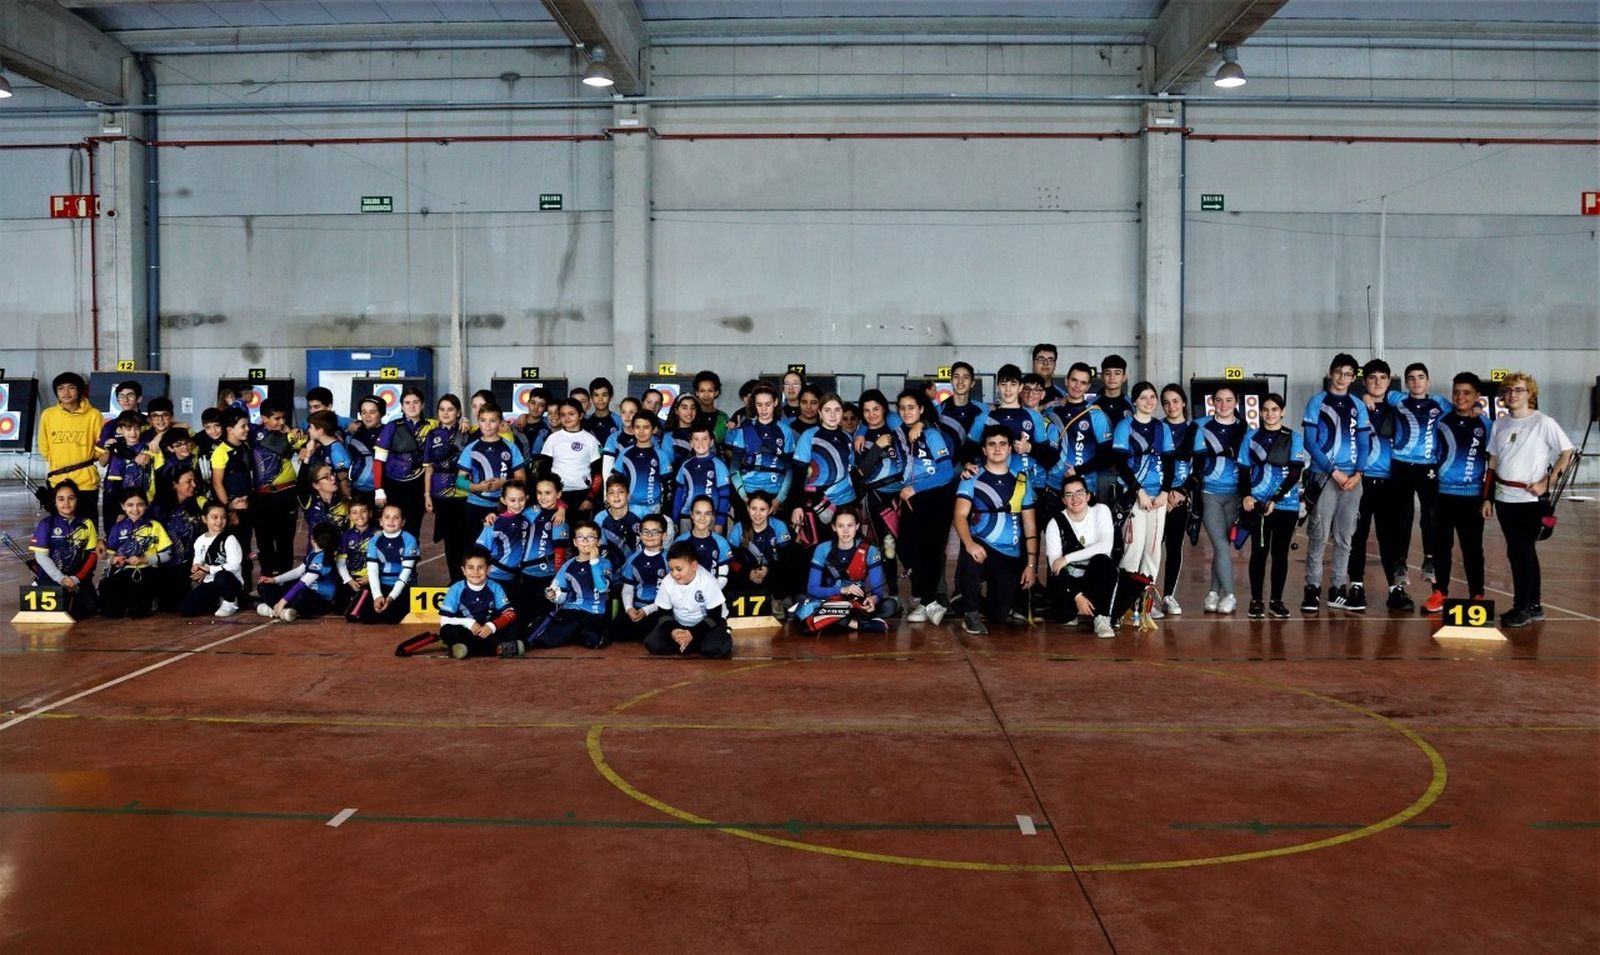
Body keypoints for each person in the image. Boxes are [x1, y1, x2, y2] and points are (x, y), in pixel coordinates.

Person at [1486, 371, 1574, 628]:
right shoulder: (1499, 424)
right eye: (1508, 390)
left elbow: (1567, 453)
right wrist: (1488, 497)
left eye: (1519, 390)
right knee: (1521, 552)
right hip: (1505, 498)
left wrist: (1547, 483)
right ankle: (1533, 604)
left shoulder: (1543, 422)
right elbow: (1492, 462)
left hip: (1530, 501)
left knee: (1521, 552)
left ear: (1530, 394)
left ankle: (1522, 606)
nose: (1513, 395)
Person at [1301, 353, 1372, 614]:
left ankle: (1337, 589)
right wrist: (1334, 473)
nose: (1343, 378)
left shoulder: (1358, 405)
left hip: (1352, 481)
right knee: (1319, 535)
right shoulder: (1316, 402)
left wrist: (1358, 474)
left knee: (1345, 537)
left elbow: (1364, 443)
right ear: (1331, 373)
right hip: (1324, 477)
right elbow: (1310, 442)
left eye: (1349, 374)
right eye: (1339, 372)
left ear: (1354, 378)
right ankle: (1312, 589)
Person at [953, 426, 1038, 635]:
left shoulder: (1021, 482)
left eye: (1002, 444)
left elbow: (1030, 526)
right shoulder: (971, 477)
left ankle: (963, 598)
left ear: (1010, 449)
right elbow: (960, 516)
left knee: (999, 616)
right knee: (969, 557)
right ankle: (971, 613)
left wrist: (1031, 564)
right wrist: (970, 543)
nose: (997, 449)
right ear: (984, 450)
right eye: (992, 444)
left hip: (1009, 553)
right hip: (981, 546)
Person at [1379, 363, 1450, 608]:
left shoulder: (1440, 403)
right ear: (1406, 382)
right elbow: (1376, 394)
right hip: (1400, 464)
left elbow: (1461, 413)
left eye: (1421, 377)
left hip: (1428, 465)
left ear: (1428, 381)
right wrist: (1367, 396)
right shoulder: (1397, 398)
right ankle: (1400, 561)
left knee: (1430, 514)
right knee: (1403, 514)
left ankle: (1430, 559)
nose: (1416, 382)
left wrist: (1476, 411)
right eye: (1411, 378)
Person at [1422, 373, 1493, 614]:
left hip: (1472, 497)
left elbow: (1493, 463)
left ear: (1476, 396)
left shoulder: (1486, 425)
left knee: (1473, 549)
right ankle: (1439, 592)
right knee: (1441, 546)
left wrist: (1488, 497)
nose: (1460, 397)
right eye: (1456, 392)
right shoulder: (1442, 420)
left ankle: (1477, 594)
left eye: (1466, 393)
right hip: (1442, 496)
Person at [1238, 393, 1306, 619]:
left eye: (1275, 409)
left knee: (1280, 554)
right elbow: (1244, 470)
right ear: (1260, 412)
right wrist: (1247, 496)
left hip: (1286, 506)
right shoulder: (1251, 436)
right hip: (1257, 504)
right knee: (1259, 553)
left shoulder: (1293, 437)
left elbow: (1295, 472)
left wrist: (1275, 500)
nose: (1270, 414)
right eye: (1265, 409)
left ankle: (1276, 600)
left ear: (1283, 411)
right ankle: (1256, 600)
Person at [895, 389, 958, 625]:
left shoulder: (932, 434)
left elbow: (946, 471)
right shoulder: (900, 428)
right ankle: (929, 601)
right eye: (902, 407)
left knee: (928, 551)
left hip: (936, 496)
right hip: (914, 498)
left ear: (921, 409)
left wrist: (916, 489)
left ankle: (926, 601)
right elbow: (875, 417)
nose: (906, 412)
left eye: (912, 407)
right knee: (905, 548)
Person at [1345, 360, 1400, 613]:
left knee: (1390, 537)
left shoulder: (1400, 407)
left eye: (1382, 377)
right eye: (1372, 377)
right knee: (1358, 535)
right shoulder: (1355, 408)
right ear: (1363, 381)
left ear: (1389, 381)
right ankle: (1356, 584)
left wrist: (1476, 405)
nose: (1377, 382)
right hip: (1361, 481)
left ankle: (1395, 588)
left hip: (1390, 483)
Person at [1111, 381, 1172, 592]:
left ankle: (1145, 600)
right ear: (1135, 401)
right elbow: (1120, 463)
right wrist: (1140, 492)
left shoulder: (1162, 427)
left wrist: (1165, 491)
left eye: (1153, 397)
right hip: (1132, 494)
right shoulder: (1124, 426)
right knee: (1133, 547)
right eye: (1143, 397)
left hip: (1158, 497)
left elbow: (1169, 461)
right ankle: (1124, 601)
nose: (1149, 402)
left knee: (1153, 549)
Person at [1193, 385, 1247, 614]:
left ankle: (1213, 593)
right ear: (1212, 402)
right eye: (1218, 400)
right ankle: (1231, 595)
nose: (1223, 405)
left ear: (1236, 402)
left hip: (1235, 494)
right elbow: (1192, 460)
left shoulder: (1244, 428)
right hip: (1210, 493)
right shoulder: (1200, 426)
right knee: (1221, 544)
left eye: (1228, 400)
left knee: (1221, 547)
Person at [794, 507, 889, 634]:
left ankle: (832, 622)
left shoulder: (871, 551)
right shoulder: (822, 549)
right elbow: (812, 589)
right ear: (834, 527)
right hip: (829, 599)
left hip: (855, 603)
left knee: (889, 606)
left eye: (850, 525)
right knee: (800, 600)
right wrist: (842, 590)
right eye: (840, 526)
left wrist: (873, 599)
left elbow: (878, 591)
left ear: (857, 526)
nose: (845, 531)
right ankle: (855, 624)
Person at [1043, 475, 1117, 637]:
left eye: (1079, 493)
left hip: (1093, 578)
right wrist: (1077, 596)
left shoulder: (1100, 511)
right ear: (1063, 500)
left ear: (1088, 495)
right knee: (1065, 616)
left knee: (1103, 561)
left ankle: (1102, 618)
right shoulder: (1055, 524)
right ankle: (1077, 606)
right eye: (1069, 495)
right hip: (1069, 582)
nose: (1075, 499)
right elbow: (1056, 567)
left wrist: (1067, 558)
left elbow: (1105, 546)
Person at [525, 520, 613, 653]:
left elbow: (602, 588)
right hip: (572, 611)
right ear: (575, 542)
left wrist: (594, 560)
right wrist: (552, 595)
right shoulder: (568, 565)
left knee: (594, 640)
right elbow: (558, 592)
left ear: (599, 542)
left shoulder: (604, 563)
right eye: (580, 537)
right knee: (560, 631)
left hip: (594, 613)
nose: (585, 541)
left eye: (590, 537)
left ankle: (574, 635)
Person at [643, 541, 734, 659]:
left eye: (679, 569)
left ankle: (712, 638)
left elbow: (714, 616)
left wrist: (692, 634)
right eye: (671, 569)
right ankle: (688, 642)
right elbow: (663, 612)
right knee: (654, 644)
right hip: (679, 624)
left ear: (694, 566)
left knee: (714, 649)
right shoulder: (667, 582)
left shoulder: (708, 581)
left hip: (705, 625)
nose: (675, 574)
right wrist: (674, 631)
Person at [790, 394, 858, 545]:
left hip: (846, 503)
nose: (833, 415)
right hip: (817, 503)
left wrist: (856, 502)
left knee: (845, 548)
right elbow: (798, 474)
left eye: (837, 410)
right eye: (827, 410)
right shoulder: (809, 436)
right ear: (820, 412)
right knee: (818, 549)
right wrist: (797, 506)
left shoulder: (847, 437)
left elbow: (851, 471)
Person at [248, 398, 305, 577]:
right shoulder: (254, 433)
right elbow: (277, 442)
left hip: (286, 494)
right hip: (262, 497)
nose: (281, 422)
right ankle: (267, 578)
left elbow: (304, 442)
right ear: (264, 418)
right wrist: (291, 435)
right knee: (264, 540)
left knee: (285, 540)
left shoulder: (289, 433)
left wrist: (303, 443)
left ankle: (285, 578)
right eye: (277, 419)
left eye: (283, 418)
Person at [27, 480, 100, 620]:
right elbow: (41, 557)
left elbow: (92, 555)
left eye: (71, 498)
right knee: (59, 609)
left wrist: (76, 578)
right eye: (61, 499)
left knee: (90, 607)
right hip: (52, 576)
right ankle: (39, 583)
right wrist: (60, 578)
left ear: (77, 501)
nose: (66, 503)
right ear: (55, 502)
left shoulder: (87, 523)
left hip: (76, 577)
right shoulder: (46, 524)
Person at [99, 490, 173, 619]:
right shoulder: (117, 527)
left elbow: (168, 555)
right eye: (130, 505)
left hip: (147, 571)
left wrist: (145, 559)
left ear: (146, 506)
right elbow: (109, 557)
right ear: (123, 506)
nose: (135, 509)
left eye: (140, 504)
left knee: (137, 612)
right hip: (123, 572)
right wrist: (114, 560)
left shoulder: (155, 526)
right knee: (111, 610)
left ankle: (147, 601)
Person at [423, 394, 473, 581]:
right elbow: (428, 469)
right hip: (441, 496)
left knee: (467, 540)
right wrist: (427, 495)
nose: (445, 413)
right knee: (450, 542)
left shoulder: (468, 431)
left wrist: (467, 424)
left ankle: (470, 581)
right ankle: (455, 581)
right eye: (442, 409)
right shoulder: (432, 434)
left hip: (464, 494)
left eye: (450, 409)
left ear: (458, 412)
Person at [457, 402, 528, 533]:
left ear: (501, 423)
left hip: (503, 506)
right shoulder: (471, 448)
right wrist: (479, 487)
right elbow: (461, 481)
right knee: (476, 548)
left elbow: (521, 479)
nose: (487, 425)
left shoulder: (510, 447)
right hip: (475, 505)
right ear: (478, 422)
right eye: (483, 420)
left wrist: (503, 483)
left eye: (492, 421)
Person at [1156, 384, 1196, 616]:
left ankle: (1169, 596)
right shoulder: (1157, 428)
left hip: (1180, 498)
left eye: (1175, 401)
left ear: (1183, 403)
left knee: (1174, 547)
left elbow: (1199, 468)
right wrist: (1163, 492)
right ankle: (1145, 594)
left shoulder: (1194, 429)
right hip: (1157, 496)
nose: (1171, 406)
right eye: (1166, 402)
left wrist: (1180, 492)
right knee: (1150, 549)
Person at [435, 548, 519, 659]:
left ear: (488, 570)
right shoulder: (455, 589)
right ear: (463, 570)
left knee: (514, 628)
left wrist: (492, 626)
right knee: (446, 631)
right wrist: (469, 623)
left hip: (489, 631)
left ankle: (466, 649)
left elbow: (510, 614)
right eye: (470, 568)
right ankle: (497, 649)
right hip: (468, 632)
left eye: (480, 568)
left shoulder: (495, 587)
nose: (475, 572)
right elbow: (444, 621)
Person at [372, 386, 433, 538]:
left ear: (423, 404)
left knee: (413, 529)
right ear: (402, 405)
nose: (412, 406)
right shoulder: (392, 427)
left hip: (417, 485)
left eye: (416, 402)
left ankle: (410, 561)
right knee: (391, 528)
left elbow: (452, 426)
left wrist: (463, 421)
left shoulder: (432, 426)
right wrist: (379, 490)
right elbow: (379, 460)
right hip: (394, 486)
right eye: (407, 402)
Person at [1048, 362, 1114, 500]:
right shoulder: (1052, 411)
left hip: (1084, 487)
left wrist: (1078, 470)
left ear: (1088, 386)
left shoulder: (1096, 415)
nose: (1077, 386)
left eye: (1083, 382)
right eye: (1074, 380)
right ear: (1066, 380)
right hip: (1053, 485)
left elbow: (1107, 456)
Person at [255, 522, 344, 622]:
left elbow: (302, 584)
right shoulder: (314, 553)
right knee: (263, 585)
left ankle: (274, 609)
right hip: (302, 593)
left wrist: (282, 602)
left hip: (319, 600)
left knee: (301, 593)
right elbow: (298, 572)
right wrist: (274, 580)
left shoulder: (322, 559)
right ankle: (281, 611)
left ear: (312, 539)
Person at [728, 489, 798, 613]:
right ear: (748, 508)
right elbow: (731, 561)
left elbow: (787, 558)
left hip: (773, 574)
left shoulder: (778, 526)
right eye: (753, 508)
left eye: (762, 509)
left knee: (792, 564)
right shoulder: (739, 528)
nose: (757, 514)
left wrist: (769, 569)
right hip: (748, 575)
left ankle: (779, 600)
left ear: (770, 510)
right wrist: (747, 573)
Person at [208, 408, 256, 586]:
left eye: (247, 425)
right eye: (242, 426)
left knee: (245, 549)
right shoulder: (220, 452)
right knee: (233, 551)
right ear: (230, 429)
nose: (247, 429)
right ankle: (233, 590)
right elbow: (217, 483)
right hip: (233, 510)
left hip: (246, 507)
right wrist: (228, 509)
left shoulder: (245, 446)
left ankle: (245, 589)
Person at [349, 503, 418, 624]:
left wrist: (391, 597)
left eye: (396, 517)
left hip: (403, 586)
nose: (391, 521)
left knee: (392, 618)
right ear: (380, 521)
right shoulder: (375, 540)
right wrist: (377, 596)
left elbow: (406, 572)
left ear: (403, 522)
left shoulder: (409, 539)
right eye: (387, 517)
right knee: (366, 617)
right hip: (382, 585)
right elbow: (372, 571)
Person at [726, 384, 795, 506]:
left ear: (775, 402)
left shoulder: (786, 431)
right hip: (747, 492)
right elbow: (734, 467)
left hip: (775, 493)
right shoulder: (745, 430)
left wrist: (780, 499)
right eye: (759, 405)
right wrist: (744, 497)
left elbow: (790, 468)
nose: (764, 409)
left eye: (768, 404)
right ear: (754, 405)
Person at [151, 468, 207, 612]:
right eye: (188, 481)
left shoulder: (197, 503)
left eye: (194, 481)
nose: (194, 485)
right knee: (171, 606)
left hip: (192, 565)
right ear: (175, 484)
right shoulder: (159, 509)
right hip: (166, 568)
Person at [476, 479, 533, 617]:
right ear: (503, 500)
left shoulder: (527, 517)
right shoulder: (495, 523)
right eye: (512, 500)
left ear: (527, 498)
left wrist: (561, 508)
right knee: (493, 613)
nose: (517, 504)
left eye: (521, 500)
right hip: (495, 577)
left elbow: (552, 503)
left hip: (515, 577)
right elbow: (479, 551)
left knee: (513, 613)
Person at [520, 476, 571, 624]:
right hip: (524, 575)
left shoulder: (558, 520)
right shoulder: (531, 510)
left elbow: (560, 555)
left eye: (548, 493)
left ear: (558, 494)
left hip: (546, 578)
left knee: (543, 619)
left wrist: (556, 582)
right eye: (539, 493)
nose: (543, 497)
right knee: (525, 617)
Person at [180, 500, 244, 617]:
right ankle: (216, 601)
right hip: (210, 582)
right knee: (186, 609)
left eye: (223, 517)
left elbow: (234, 565)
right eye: (214, 517)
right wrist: (197, 567)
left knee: (221, 577)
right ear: (204, 519)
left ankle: (230, 601)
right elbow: (198, 558)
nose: (219, 521)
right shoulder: (200, 540)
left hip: (229, 581)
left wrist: (209, 569)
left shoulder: (230, 539)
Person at [616, 513, 672, 643]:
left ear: (664, 535)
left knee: (652, 631)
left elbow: (671, 594)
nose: (649, 536)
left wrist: (648, 610)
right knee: (616, 631)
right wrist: (629, 608)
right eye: (645, 531)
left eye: (655, 532)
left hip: (659, 608)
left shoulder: (669, 559)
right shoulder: (634, 559)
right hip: (636, 607)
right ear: (640, 535)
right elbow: (628, 587)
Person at [100, 410, 158, 532]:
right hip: (128, 506)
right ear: (120, 430)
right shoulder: (117, 454)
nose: (133, 433)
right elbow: (116, 487)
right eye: (128, 429)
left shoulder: (149, 447)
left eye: (136, 428)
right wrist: (121, 511)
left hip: (149, 501)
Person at [671, 424, 733, 534]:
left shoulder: (719, 466)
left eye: (704, 439)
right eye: (696, 439)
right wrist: (675, 519)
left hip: (709, 518)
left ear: (711, 442)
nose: (700, 443)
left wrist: (719, 522)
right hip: (686, 516)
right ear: (691, 443)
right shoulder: (686, 465)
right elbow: (679, 494)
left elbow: (724, 496)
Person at [612, 411, 674, 518]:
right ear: (633, 429)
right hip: (629, 506)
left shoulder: (661, 455)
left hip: (653, 508)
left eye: (646, 427)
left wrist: (665, 512)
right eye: (637, 427)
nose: (641, 431)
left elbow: (667, 486)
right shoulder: (625, 453)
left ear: (654, 429)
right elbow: (616, 481)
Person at [546, 398, 602, 516]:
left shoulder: (591, 440)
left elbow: (598, 473)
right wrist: (548, 495)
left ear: (581, 415)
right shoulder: (552, 438)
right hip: (557, 495)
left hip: (583, 497)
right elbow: (543, 470)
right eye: (563, 415)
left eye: (571, 414)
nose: (567, 418)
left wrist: (590, 498)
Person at [673, 495, 733, 586]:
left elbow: (723, 576)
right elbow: (675, 572)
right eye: (698, 513)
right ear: (691, 514)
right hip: (685, 594)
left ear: (713, 516)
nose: (702, 518)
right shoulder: (680, 542)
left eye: (707, 513)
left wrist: (711, 593)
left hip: (712, 594)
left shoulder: (721, 543)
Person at [336, 499, 377, 611]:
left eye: (363, 511)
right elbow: (340, 562)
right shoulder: (346, 536)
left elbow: (384, 562)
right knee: (340, 607)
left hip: (372, 578)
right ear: (349, 516)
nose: (359, 515)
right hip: (352, 579)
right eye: (354, 512)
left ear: (370, 513)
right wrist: (348, 580)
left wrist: (370, 577)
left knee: (367, 606)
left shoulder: (378, 535)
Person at [596, 476, 643, 570]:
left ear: (628, 495)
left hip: (638, 567)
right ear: (607, 498)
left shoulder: (642, 513)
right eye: (611, 492)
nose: (616, 496)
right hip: (611, 569)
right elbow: (600, 548)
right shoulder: (600, 519)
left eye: (620, 492)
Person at [938, 362, 984, 446]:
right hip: (946, 458)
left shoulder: (983, 410)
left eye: (966, 377)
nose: (960, 381)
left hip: (975, 458)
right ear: (951, 381)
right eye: (956, 377)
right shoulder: (939, 409)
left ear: (972, 383)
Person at [584, 377, 625, 447]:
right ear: (591, 398)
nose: (600, 399)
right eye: (596, 395)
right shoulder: (586, 421)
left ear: (611, 397)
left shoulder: (619, 421)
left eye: (604, 395)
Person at [692, 370, 730, 443]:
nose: (706, 395)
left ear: (716, 392)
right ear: (697, 393)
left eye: (710, 391)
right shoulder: (690, 416)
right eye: (702, 391)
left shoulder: (723, 418)